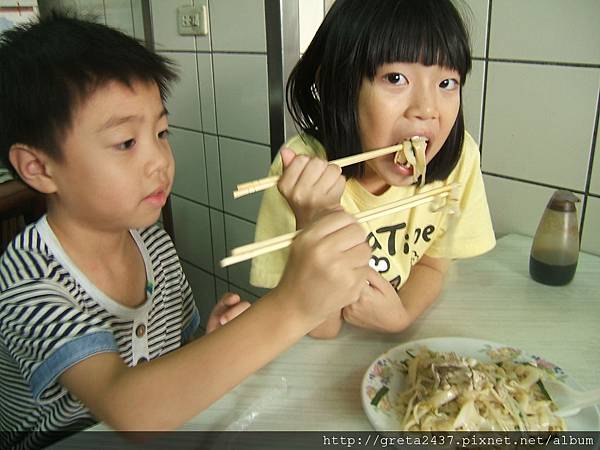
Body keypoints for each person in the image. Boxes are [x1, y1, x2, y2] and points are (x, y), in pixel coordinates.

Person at [0, 14, 372, 449]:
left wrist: (208, 341)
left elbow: (172, 359)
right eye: (126, 143)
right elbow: (131, 409)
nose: (160, 159)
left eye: (161, 131)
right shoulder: (27, 280)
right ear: (39, 168)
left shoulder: (152, 243)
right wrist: (294, 305)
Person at [250, 0, 496, 338]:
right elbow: (320, 330)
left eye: (446, 83)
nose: (427, 109)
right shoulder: (301, 175)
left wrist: (403, 313)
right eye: (395, 78)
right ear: (339, 88)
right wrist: (313, 219)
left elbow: (434, 262)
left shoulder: (458, 160)